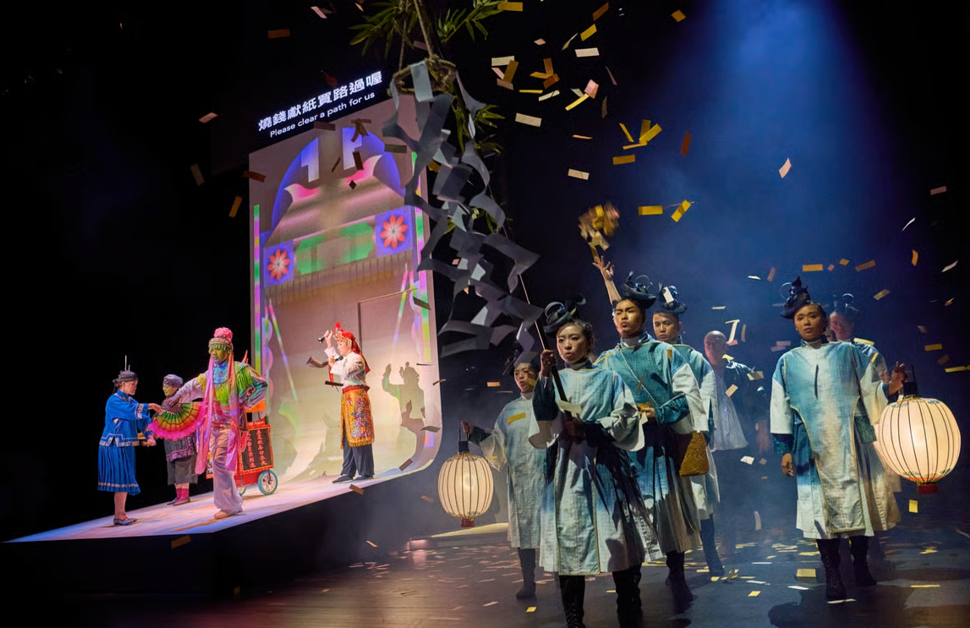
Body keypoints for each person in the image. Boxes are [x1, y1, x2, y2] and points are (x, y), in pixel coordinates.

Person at [770, 277, 904, 600]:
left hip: (850, 443)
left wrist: (890, 388)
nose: (807, 322)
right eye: (800, 318)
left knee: (858, 505)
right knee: (820, 513)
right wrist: (784, 449)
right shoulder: (786, 363)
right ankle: (832, 572)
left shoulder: (848, 352)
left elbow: (870, 391)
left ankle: (860, 563)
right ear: (794, 324)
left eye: (812, 316)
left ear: (823, 320)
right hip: (810, 447)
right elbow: (779, 408)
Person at [530, 303, 659, 628]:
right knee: (569, 541)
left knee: (617, 537)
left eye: (574, 338)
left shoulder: (609, 378)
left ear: (589, 342)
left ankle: (627, 601)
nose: (567, 346)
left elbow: (626, 416)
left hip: (603, 467)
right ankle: (574, 617)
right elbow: (543, 416)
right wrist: (544, 375)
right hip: (567, 470)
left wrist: (590, 428)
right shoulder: (553, 379)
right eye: (561, 340)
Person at [593, 264, 705, 613]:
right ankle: (630, 589)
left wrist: (658, 413)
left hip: (659, 448)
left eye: (629, 311)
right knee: (628, 520)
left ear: (642, 316)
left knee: (667, 514)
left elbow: (689, 397)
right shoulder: (605, 361)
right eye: (618, 312)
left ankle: (678, 576)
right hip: (622, 454)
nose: (623, 317)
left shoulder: (666, 354)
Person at [652, 285, 724, 577]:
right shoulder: (652, 354)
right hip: (661, 436)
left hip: (690, 434)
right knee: (669, 503)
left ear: (678, 326)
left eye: (666, 324)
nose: (661, 329)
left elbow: (707, 396)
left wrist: (703, 430)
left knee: (700, 500)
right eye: (657, 324)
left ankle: (711, 554)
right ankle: (676, 568)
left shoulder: (693, 358)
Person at [462, 357, 545, 600]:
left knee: (552, 530)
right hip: (521, 482)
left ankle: (565, 581)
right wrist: (476, 433)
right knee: (523, 531)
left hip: (547, 478)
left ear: (538, 373)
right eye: (517, 373)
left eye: (526, 371)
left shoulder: (549, 404)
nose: (521, 377)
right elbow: (498, 443)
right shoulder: (510, 410)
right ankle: (528, 582)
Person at [165, 327, 268, 520]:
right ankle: (234, 502)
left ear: (227, 350)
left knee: (220, 462)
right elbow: (191, 387)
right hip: (214, 424)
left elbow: (261, 384)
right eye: (211, 349)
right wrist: (177, 397)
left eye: (217, 349)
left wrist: (247, 402)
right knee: (220, 464)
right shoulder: (210, 374)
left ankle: (228, 505)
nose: (213, 352)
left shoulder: (240, 370)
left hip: (231, 424)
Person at [703, 330, 773, 551]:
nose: (713, 347)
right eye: (708, 343)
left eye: (718, 342)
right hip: (716, 447)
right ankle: (728, 539)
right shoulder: (700, 373)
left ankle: (764, 531)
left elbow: (760, 399)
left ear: (726, 346)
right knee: (723, 496)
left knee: (753, 487)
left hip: (742, 443)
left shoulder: (741, 371)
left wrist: (763, 431)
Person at [98, 370, 163, 526]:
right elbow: (131, 412)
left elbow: (144, 419)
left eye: (136, 385)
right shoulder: (113, 401)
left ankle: (120, 514)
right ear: (122, 384)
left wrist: (149, 436)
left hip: (126, 445)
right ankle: (119, 515)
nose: (135, 387)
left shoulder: (131, 401)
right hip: (114, 444)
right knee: (122, 478)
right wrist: (151, 405)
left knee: (125, 478)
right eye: (133, 384)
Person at [318, 322, 375, 483]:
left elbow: (344, 370)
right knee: (348, 435)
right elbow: (336, 360)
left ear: (349, 344)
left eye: (340, 344)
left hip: (357, 399)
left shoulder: (357, 358)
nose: (339, 347)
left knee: (358, 433)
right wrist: (329, 343)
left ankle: (365, 471)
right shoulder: (346, 358)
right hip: (348, 399)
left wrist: (333, 364)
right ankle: (348, 471)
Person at [158, 374, 198, 506]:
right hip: (170, 441)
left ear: (175, 388)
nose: (164, 388)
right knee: (173, 469)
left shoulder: (183, 399)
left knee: (182, 467)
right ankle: (178, 495)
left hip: (182, 440)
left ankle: (184, 496)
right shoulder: (164, 402)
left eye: (167, 386)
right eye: (163, 386)